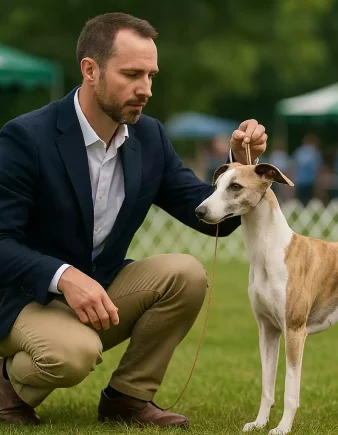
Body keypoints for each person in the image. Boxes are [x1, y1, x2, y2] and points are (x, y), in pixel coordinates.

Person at [0, 12, 267, 429]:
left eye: (151, 75)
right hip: (19, 300)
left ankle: (128, 398)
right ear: (90, 70)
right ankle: (6, 387)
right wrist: (64, 276)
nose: (145, 89)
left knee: (186, 274)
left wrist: (241, 164)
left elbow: (210, 216)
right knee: (74, 353)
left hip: (96, 295)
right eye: (132, 75)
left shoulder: (150, 138)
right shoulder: (25, 137)